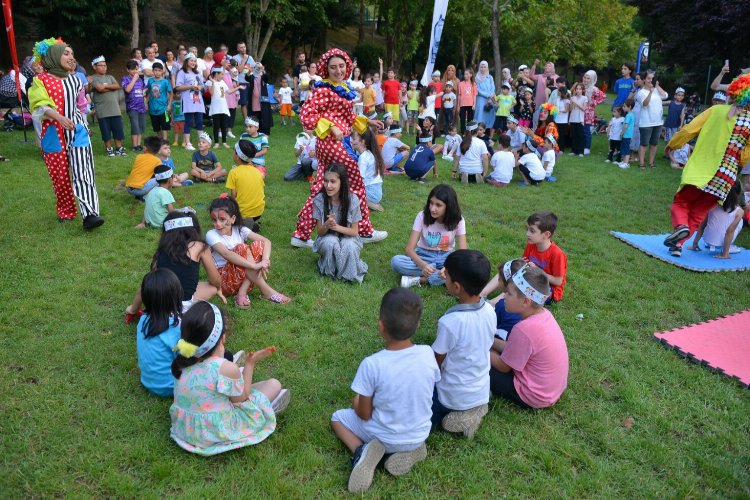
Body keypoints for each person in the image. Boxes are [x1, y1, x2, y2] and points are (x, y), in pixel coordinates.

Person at [331, 288, 440, 493]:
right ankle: (413, 450)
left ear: (381, 326)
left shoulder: (372, 364)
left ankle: (361, 451)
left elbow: (364, 413)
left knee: (337, 418)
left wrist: (356, 402)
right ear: (417, 325)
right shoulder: (428, 353)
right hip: (419, 433)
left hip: (384, 437)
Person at [291, 48, 387, 248]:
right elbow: (306, 116)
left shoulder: (342, 87)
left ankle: (300, 234)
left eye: (341, 66)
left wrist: (369, 123)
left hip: (333, 144)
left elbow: (348, 117)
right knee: (355, 182)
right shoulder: (323, 89)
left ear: (348, 66)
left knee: (322, 187)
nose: (338, 70)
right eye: (333, 67)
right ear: (326, 69)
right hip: (330, 143)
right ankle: (364, 230)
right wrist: (330, 126)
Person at [170, 301, 290, 455]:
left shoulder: (183, 360)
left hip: (186, 429)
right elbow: (243, 400)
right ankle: (267, 409)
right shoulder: (225, 368)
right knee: (274, 384)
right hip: (213, 432)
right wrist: (250, 363)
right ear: (222, 337)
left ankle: (239, 383)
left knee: (235, 380)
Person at [663, 74, 750, 257]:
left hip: (703, 169)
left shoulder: (716, 111)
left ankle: (681, 227)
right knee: (699, 211)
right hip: (725, 177)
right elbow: (744, 156)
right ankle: (678, 245)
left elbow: (689, 129)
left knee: (681, 202)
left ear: (733, 93)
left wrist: (673, 144)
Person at [28, 38, 104, 229]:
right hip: (54, 132)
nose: (72, 58)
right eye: (66, 53)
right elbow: (40, 105)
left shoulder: (77, 80)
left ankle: (90, 215)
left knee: (83, 172)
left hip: (77, 131)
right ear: (53, 56)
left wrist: (85, 126)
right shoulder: (40, 81)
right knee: (60, 177)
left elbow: (81, 106)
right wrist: (59, 118)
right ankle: (66, 210)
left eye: (72, 54)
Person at [431, 249, 495, 439]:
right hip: (480, 388)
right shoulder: (490, 311)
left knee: (418, 410)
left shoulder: (450, 322)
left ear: (457, 287)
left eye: (446, 275)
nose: (444, 276)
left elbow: (436, 363)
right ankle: (476, 407)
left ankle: (459, 414)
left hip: (451, 396)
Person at [489, 265, 569, 409]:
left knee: (476, 363)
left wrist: (479, 348)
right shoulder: (544, 315)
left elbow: (503, 366)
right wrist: (489, 340)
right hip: (550, 391)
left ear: (526, 301)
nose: (504, 296)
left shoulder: (524, 330)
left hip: (533, 395)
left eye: (509, 294)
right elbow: (513, 348)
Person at [125, 210, 225, 324]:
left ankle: (133, 310)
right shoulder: (199, 246)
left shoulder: (163, 249)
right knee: (212, 287)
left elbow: (149, 283)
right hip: (181, 305)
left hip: (158, 302)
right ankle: (184, 314)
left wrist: (133, 309)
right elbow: (215, 279)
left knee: (148, 281)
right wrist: (218, 287)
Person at [205, 196, 290, 308]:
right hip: (225, 283)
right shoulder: (211, 234)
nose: (218, 224)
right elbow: (227, 254)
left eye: (222, 219)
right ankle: (267, 291)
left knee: (258, 245)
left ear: (233, 219)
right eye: (214, 220)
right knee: (242, 248)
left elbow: (266, 241)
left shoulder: (240, 229)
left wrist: (265, 261)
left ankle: (242, 292)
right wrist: (255, 266)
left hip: (245, 279)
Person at [480, 211, 568, 304]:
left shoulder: (557, 254)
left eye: (532, 231)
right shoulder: (532, 245)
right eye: (528, 229)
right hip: (531, 277)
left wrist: (537, 270)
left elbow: (558, 282)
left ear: (546, 234)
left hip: (547, 290)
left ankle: (491, 304)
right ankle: (481, 294)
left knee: (520, 284)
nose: (527, 234)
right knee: (507, 268)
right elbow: (524, 265)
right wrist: (516, 265)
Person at [392, 184, 467, 287]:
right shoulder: (422, 216)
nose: (432, 208)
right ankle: (446, 277)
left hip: (447, 257)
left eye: (438, 205)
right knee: (396, 261)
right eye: (431, 203)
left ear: (449, 206)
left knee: (466, 266)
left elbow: (463, 253)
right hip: (424, 255)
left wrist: (448, 268)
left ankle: (421, 280)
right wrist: (423, 265)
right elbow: (409, 249)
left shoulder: (458, 220)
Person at [312, 164, 368, 283]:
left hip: (349, 236)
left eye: (333, 181)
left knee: (348, 245)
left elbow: (354, 231)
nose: (328, 185)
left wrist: (336, 227)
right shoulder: (319, 199)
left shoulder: (352, 200)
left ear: (341, 182)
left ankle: (345, 275)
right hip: (327, 236)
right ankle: (333, 270)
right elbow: (320, 233)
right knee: (330, 242)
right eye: (326, 181)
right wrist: (327, 224)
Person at [136, 268, 184, 397]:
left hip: (148, 382)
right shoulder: (175, 327)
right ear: (177, 295)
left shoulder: (143, 319)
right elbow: (185, 358)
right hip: (171, 386)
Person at [688, 181, 745, 258]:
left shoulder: (712, 204)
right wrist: (725, 254)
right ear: (738, 194)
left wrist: (694, 245)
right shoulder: (739, 211)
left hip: (708, 240)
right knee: (740, 221)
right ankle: (727, 249)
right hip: (721, 243)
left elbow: (702, 225)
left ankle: (711, 244)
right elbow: (729, 232)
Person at [89, 55, 127, 157]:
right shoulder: (92, 78)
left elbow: (117, 86)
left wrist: (105, 86)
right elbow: (99, 89)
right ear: (94, 67)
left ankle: (119, 148)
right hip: (102, 109)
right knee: (105, 130)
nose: (104, 67)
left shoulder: (110, 77)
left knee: (117, 129)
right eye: (101, 66)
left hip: (115, 109)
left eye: (105, 66)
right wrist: (110, 88)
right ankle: (109, 149)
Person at [226, 139, 264, 231]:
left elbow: (233, 196)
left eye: (234, 151)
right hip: (259, 212)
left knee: (222, 204)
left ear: (238, 157)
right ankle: (251, 222)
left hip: (243, 212)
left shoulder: (234, 172)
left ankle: (244, 225)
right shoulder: (257, 171)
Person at [135, 165, 185, 229]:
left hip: (150, 222)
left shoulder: (151, 191)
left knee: (182, 210)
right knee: (189, 214)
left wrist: (142, 223)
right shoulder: (165, 192)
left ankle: (143, 224)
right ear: (170, 180)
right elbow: (172, 212)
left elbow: (147, 208)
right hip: (162, 224)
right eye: (173, 178)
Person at [636, 72, 668, 169]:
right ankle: (641, 163)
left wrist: (657, 87)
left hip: (658, 122)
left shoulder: (657, 90)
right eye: (648, 78)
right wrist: (650, 92)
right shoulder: (641, 92)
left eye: (652, 78)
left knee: (654, 143)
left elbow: (665, 96)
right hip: (646, 122)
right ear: (644, 80)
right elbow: (645, 104)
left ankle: (651, 163)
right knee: (644, 143)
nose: (650, 80)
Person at [487, 258, 525, 340]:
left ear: (507, 284)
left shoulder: (502, 304)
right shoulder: (526, 303)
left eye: (499, 279)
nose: (497, 280)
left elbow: (492, 324)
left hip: (503, 337)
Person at [174, 54, 205, 151]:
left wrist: (201, 87)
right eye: (191, 60)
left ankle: (201, 142)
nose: (193, 63)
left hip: (198, 101)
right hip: (188, 101)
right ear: (186, 61)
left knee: (200, 121)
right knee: (189, 122)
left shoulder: (197, 73)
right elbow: (178, 87)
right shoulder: (182, 72)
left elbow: (202, 85)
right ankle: (187, 143)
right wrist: (190, 87)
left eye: (195, 61)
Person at [352, 128, 385, 212]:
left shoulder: (363, 158)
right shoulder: (370, 154)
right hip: (376, 192)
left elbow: (359, 180)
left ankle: (369, 204)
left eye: (354, 139)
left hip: (370, 192)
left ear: (362, 142)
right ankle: (370, 203)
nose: (352, 141)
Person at [207, 67, 239, 148]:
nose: (223, 76)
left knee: (224, 125)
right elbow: (212, 93)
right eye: (221, 74)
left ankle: (224, 142)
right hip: (215, 107)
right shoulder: (210, 82)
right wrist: (213, 82)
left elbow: (229, 92)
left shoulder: (222, 82)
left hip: (223, 107)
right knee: (216, 125)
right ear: (216, 74)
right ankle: (216, 142)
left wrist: (238, 88)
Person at [122, 60, 147, 151]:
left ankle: (139, 145)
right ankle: (134, 145)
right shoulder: (126, 79)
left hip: (141, 107)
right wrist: (134, 79)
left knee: (141, 126)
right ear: (128, 70)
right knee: (135, 126)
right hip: (132, 107)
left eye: (136, 69)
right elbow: (127, 90)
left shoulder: (140, 80)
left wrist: (145, 103)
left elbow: (143, 92)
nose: (135, 71)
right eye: (132, 69)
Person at [146, 62, 173, 142]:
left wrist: (169, 105)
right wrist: (146, 103)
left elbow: (171, 93)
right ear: (153, 71)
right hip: (153, 108)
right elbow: (149, 93)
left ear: (162, 71)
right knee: (156, 127)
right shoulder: (150, 81)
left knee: (165, 126)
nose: (157, 72)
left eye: (159, 70)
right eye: (155, 70)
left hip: (163, 108)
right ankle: (160, 140)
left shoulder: (165, 81)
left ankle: (165, 142)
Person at [582, 70, 606, 155]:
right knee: (580, 128)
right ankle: (580, 145)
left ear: (592, 79)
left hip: (588, 111)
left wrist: (593, 103)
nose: (585, 79)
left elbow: (603, 96)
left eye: (588, 78)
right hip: (580, 110)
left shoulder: (594, 88)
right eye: (585, 77)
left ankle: (587, 147)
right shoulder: (581, 86)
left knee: (586, 130)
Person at [473, 61, 496, 128]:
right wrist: (487, 95)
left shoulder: (490, 77)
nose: (483, 69)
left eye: (484, 67)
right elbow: (477, 89)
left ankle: (488, 128)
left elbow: (492, 87)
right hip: (481, 98)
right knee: (480, 113)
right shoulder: (477, 78)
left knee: (489, 113)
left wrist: (490, 96)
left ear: (487, 68)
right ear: (479, 68)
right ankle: (477, 128)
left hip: (490, 99)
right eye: (481, 67)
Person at [569, 82, 587, 157]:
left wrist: (575, 102)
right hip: (573, 118)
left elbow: (584, 108)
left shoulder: (584, 98)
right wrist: (572, 102)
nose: (578, 90)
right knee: (574, 135)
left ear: (582, 90)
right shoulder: (573, 98)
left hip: (580, 119)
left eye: (580, 89)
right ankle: (574, 151)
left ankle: (581, 152)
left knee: (580, 135)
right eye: (577, 89)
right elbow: (571, 109)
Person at [458, 69, 477, 134]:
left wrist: (474, 104)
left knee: (470, 118)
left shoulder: (473, 84)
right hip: (462, 104)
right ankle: (463, 131)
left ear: (471, 75)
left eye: (467, 74)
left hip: (470, 104)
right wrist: (458, 105)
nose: (465, 75)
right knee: (462, 118)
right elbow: (459, 95)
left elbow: (474, 95)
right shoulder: (460, 84)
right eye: (464, 74)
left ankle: (469, 131)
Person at [617, 100, 635, 169]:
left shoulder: (628, 115)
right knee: (624, 148)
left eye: (624, 106)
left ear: (629, 107)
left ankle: (626, 163)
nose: (623, 108)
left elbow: (626, 126)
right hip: (628, 135)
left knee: (626, 149)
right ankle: (624, 161)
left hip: (626, 135)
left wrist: (621, 133)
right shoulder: (632, 115)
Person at [553, 87, 570, 152]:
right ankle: (556, 147)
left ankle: (561, 148)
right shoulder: (557, 99)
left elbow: (566, 110)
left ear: (561, 92)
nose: (557, 92)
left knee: (561, 134)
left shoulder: (566, 100)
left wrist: (559, 111)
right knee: (556, 133)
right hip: (557, 119)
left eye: (558, 91)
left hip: (563, 120)